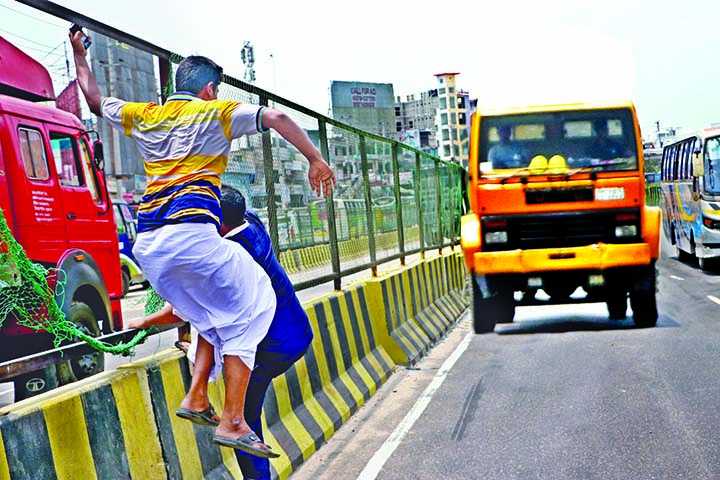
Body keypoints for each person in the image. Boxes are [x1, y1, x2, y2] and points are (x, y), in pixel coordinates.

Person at [70, 29, 335, 459]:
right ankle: (233, 419)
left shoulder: (147, 114)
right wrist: (315, 159)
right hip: (191, 236)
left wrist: (79, 54)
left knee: (211, 311)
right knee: (256, 297)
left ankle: (196, 396)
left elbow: (96, 101)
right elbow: (278, 119)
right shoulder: (216, 112)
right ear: (210, 89)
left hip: (149, 247)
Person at [130, 185, 313, 479]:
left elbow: (183, 308)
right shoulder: (250, 222)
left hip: (273, 347)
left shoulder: (232, 257)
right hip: (296, 331)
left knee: (240, 423)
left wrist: (145, 322)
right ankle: (198, 395)